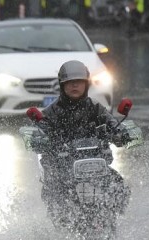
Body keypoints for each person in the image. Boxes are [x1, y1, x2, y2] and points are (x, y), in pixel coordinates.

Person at [36, 60, 130, 216]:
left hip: (93, 162)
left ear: (86, 85)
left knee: (118, 186)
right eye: (70, 82)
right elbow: (39, 131)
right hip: (63, 164)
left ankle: (113, 217)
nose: (74, 86)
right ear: (62, 85)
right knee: (55, 190)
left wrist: (121, 133)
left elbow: (112, 122)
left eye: (79, 82)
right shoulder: (51, 112)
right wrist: (42, 140)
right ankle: (61, 221)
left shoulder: (95, 107)